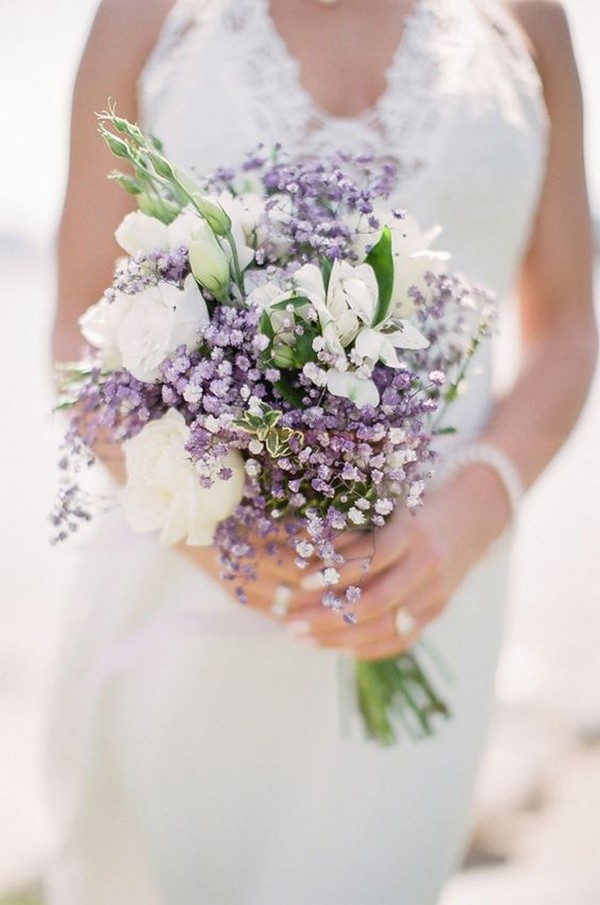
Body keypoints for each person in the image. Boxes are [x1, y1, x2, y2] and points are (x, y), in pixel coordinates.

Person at [47, 0, 596, 903]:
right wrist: (219, 542)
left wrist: (476, 506)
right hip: (189, 596)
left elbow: (570, 324)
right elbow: (78, 330)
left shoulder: (530, 18)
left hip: (433, 588)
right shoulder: (144, 17)